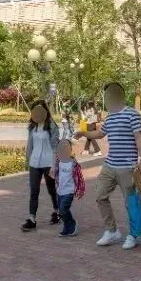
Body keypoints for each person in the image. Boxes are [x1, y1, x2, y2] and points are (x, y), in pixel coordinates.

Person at [74, 82, 141, 249]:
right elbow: (100, 133)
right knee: (100, 196)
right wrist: (83, 133)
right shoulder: (111, 116)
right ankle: (112, 231)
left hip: (127, 167)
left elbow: (139, 139)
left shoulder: (132, 114)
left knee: (131, 203)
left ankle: (134, 235)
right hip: (109, 165)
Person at [22, 100, 60, 231]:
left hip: (48, 163)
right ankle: (31, 219)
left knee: (51, 190)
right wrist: (27, 160)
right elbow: (30, 145)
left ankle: (57, 211)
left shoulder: (52, 126)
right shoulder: (32, 127)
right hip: (34, 163)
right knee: (34, 191)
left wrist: (54, 166)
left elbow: (55, 147)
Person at [49, 139, 84, 237]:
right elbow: (56, 174)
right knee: (61, 212)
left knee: (63, 209)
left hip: (69, 191)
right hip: (60, 190)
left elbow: (80, 178)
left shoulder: (73, 164)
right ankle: (66, 227)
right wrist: (52, 173)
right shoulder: (58, 162)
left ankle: (72, 223)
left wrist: (80, 189)